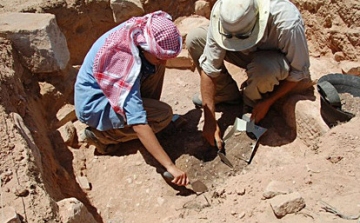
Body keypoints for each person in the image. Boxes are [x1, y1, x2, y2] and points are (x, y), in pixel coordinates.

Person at [74, 11, 189, 186]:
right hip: (96, 104)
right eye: (159, 56)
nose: (164, 61)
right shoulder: (124, 63)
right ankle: (103, 136)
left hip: (109, 88)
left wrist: (158, 60)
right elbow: (139, 122)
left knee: (156, 68)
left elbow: (157, 59)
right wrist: (170, 166)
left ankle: (147, 114)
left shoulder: (143, 30)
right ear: (145, 47)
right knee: (163, 114)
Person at [185, 0, 312, 149]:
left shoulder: (287, 22)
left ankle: (251, 103)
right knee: (196, 39)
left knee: (265, 69)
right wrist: (210, 118)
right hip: (246, 56)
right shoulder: (225, 12)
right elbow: (209, 68)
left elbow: (299, 72)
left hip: (272, 61)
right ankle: (226, 95)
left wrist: (268, 101)